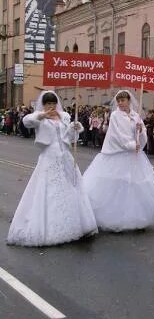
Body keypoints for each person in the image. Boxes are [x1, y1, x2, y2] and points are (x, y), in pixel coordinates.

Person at [7, 91, 97, 246]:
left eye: (53, 103)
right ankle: (51, 228)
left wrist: (75, 128)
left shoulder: (64, 117)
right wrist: (41, 115)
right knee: (50, 190)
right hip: (49, 156)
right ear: (44, 105)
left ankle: (76, 223)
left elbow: (70, 138)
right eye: (48, 104)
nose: (51, 106)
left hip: (65, 156)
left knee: (71, 187)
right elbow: (26, 121)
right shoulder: (39, 117)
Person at [83, 90, 154, 231]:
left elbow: (142, 135)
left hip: (134, 156)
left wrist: (140, 132)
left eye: (123, 100)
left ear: (129, 100)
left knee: (135, 185)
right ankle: (114, 217)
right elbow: (117, 135)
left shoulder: (136, 115)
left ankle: (137, 217)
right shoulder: (115, 115)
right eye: (119, 101)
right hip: (119, 153)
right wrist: (131, 145)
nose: (121, 103)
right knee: (118, 184)